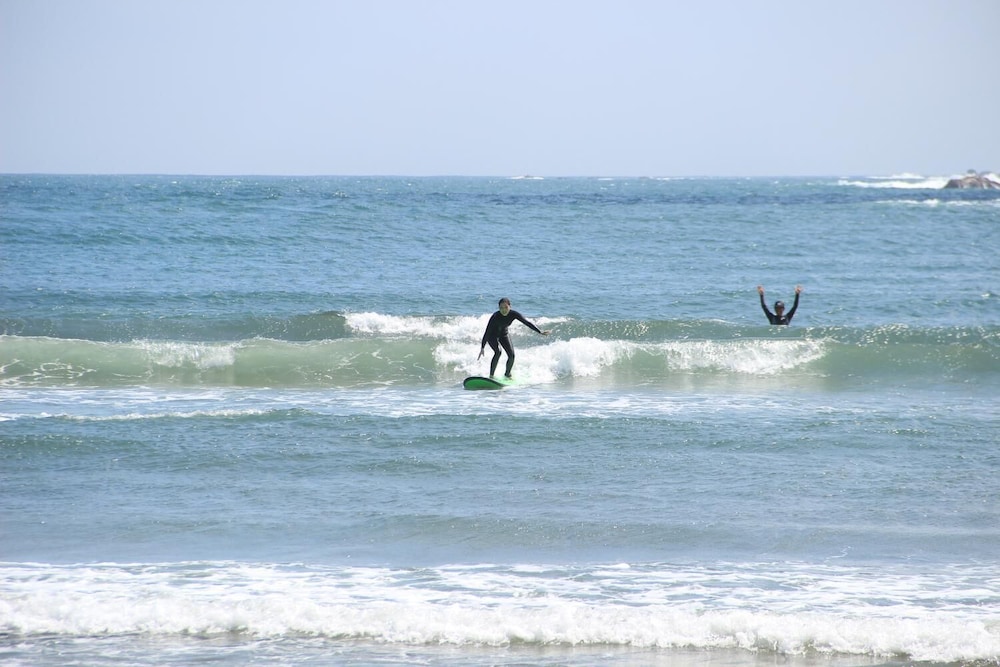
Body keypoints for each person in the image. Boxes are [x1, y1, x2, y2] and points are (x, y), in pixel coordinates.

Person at [478, 297, 551, 378]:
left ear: (510, 306)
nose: (503, 310)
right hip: (492, 336)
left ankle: (507, 374)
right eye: (501, 308)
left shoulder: (514, 314)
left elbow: (527, 322)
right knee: (498, 352)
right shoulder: (495, 317)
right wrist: (482, 347)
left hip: (504, 334)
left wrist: (539, 331)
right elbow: (487, 332)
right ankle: (491, 376)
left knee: (511, 355)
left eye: (506, 307)